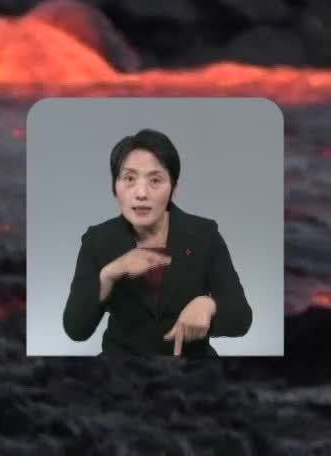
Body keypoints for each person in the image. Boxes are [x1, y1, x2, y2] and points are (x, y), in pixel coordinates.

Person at [61, 128, 253, 356]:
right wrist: (111, 273)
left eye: (155, 180)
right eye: (129, 179)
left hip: (190, 372)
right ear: (114, 187)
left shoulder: (204, 234)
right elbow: (75, 329)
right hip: (121, 369)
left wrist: (208, 305)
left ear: (173, 188)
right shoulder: (98, 240)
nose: (141, 193)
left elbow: (241, 317)